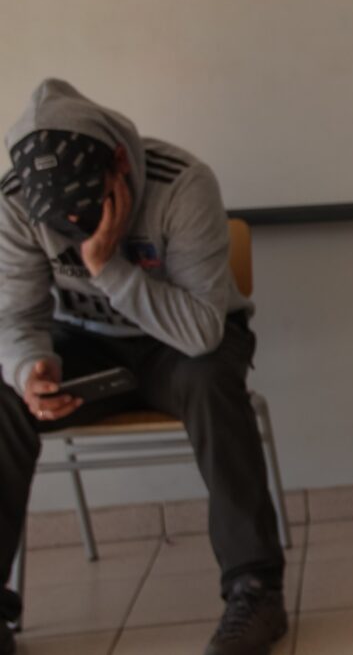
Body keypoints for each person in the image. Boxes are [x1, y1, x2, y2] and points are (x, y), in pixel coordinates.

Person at [0, 79, 286, 655]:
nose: (74, 226)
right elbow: (16, 315)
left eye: (88, 207)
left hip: (183, 345)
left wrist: (108, 269)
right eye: (60, 220)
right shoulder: (15, 202)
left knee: (211, 383)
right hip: (85, 342)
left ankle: (255, 591)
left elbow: (203, 330)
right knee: (4, 397)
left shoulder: (181, 184)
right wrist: (30, 370)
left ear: (120, 165)